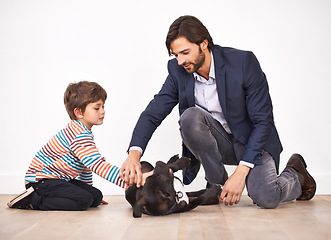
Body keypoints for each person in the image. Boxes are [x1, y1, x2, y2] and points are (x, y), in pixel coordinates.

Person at [120, 15, 316, 208]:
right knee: (190, 117)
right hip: (219, 142)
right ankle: (217, 184)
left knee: (266, 197)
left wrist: (241, 172)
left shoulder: (243, 62)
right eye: (176, 54)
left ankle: (297, 173)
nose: (180, 61)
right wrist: (133, 154)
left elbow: (263, 121)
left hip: (251, 142)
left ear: (203, 43)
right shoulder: (178, 70)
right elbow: (153, 113)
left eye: (185, 52)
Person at [7, 81, 150, 210]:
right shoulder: (78, 134)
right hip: (41, 182)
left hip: (57, 179)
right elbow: (97, 165)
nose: (103, 111)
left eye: (103, 107)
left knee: (95, 197)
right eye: (97, 108)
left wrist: (88, 190)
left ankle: (83, 196)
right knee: (84, 201)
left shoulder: (82, 131)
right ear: (79, 112)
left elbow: (86, 166)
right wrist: (129, 181)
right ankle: (32, 200)